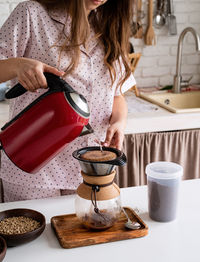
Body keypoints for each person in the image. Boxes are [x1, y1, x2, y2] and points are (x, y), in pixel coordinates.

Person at [0, 0, 136, 202]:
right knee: (37, 234)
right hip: (32, 167)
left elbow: (116, 95)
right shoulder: (31, 14)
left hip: (89, 169)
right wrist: (19, 66)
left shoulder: (109, 26)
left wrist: (119, 123)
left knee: (84, 231)